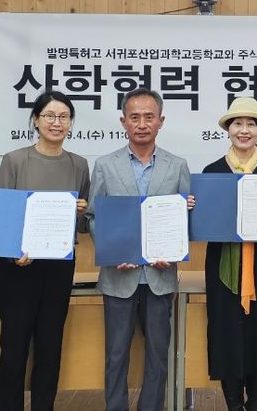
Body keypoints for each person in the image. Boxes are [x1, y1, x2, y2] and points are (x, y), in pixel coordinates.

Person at [85, 88, 190, 411]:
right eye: (134, 117)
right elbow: (93, 217)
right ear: (123, 122)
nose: (142, 124)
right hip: (118, 276)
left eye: (149, 117)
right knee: (116, 355)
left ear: (161, 121)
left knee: (158, 354)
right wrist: (113, 250)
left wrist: (174, 249)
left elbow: (184, 220)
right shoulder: (105, 165)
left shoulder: (177, 165)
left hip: (160, 276)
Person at [0, 90, 90, 410]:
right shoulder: (14, 160)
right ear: (35, 120)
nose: (56, 122)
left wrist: (81, 211)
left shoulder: (79, 165)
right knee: (13, 349)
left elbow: (82, 224)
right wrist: (13, 252)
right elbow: (3, 214)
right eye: (49, 115)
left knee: (50, 348)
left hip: (59, 266)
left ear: (71, 123)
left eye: (63, 117)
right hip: (18, 265)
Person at [202, 97, 257, 411]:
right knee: (226, 333)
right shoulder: (211, 172)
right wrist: (195, 209)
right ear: (228, 129)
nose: (244, 130)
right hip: (222, 267)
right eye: (238, 123)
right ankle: (234, 404)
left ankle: (256, 405)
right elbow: (204, 224)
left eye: (252, 124)